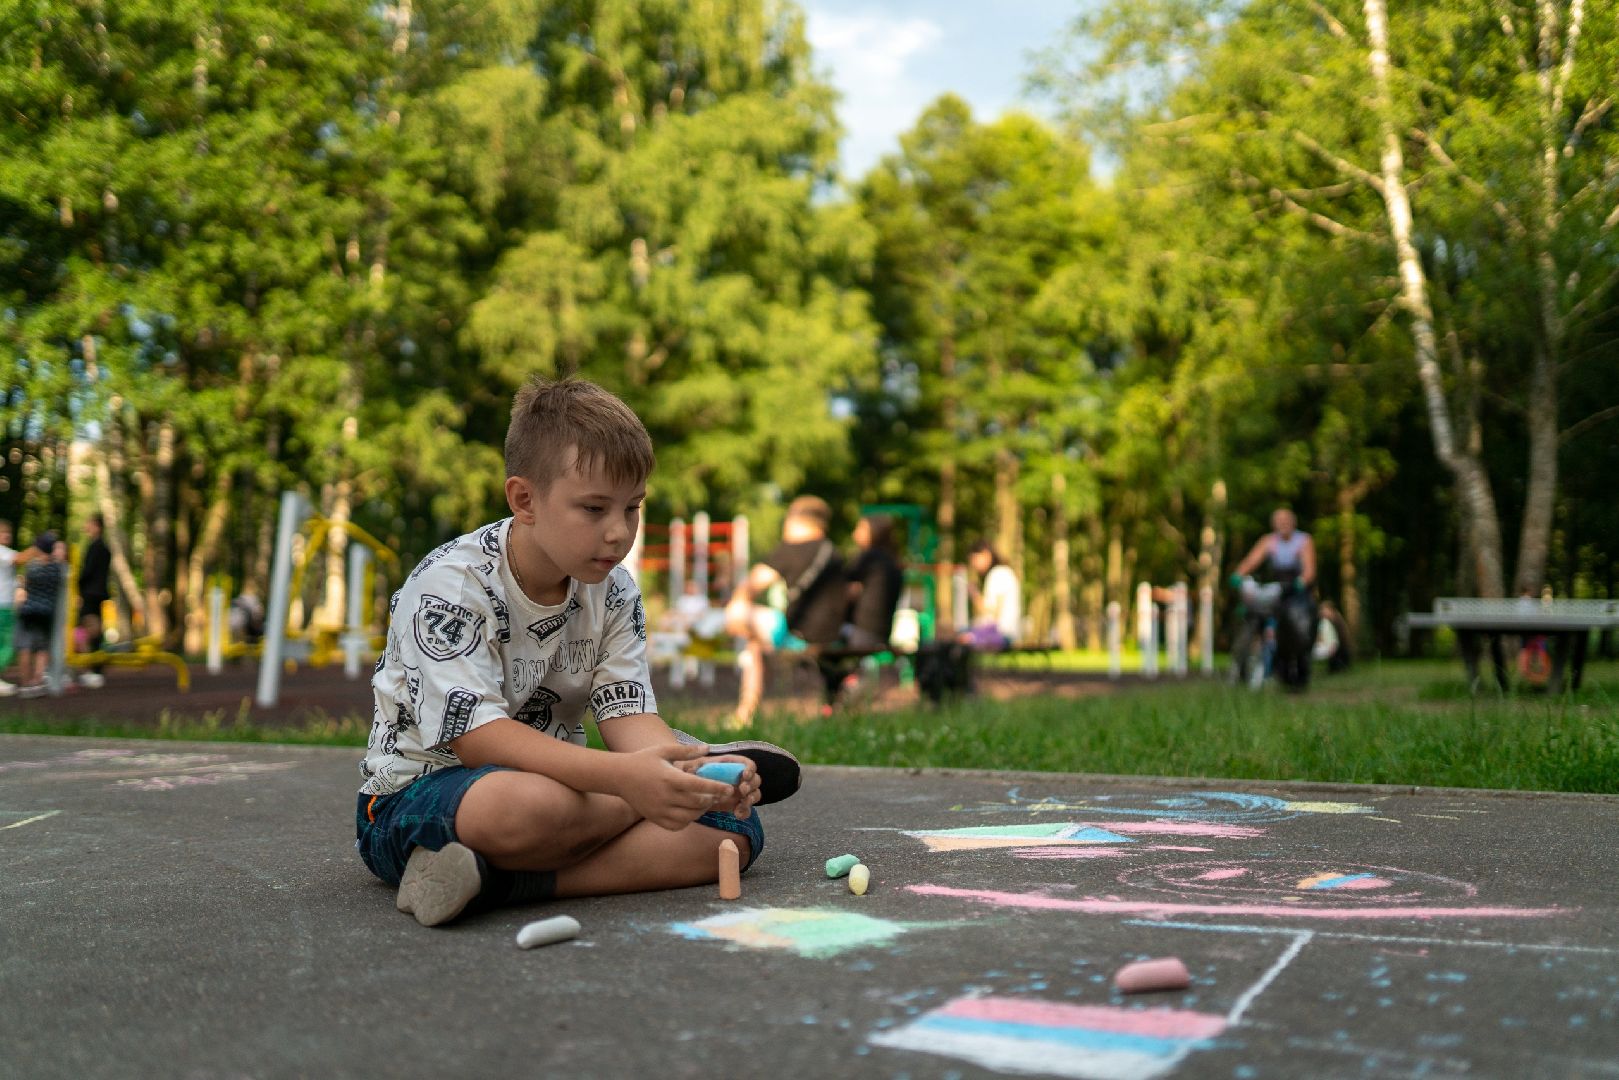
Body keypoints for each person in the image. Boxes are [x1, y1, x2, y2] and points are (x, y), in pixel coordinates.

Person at [356, 376, 800, 928]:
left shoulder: (614, 589)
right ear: (525, 500)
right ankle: (527, 852)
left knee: (732, 831)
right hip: (422, 799)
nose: (619, 533)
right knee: (525, 809)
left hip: (573, 793)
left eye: (632, 508)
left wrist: (685, 778)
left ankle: (491, 883)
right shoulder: (452, 587)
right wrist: (635, 783)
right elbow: (477, 740)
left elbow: (628, 714)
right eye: (594, 509)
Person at [723, 495, 847, 725]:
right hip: (832, 635)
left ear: (794, 520)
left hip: (797, 634)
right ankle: (757, 658)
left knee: (738, 614)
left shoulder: (791, 549)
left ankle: (745, 713)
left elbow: (750, 586)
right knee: (757, 644)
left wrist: (738, 612)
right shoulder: (834, 553)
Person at [14, 532, 66, 697]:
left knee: (25, 647)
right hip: (46, 612)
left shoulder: (32, 567)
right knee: (42, 648)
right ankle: (37, 680)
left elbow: (25, 585)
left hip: (28, 612)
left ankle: (25, 683)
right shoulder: (57, 569)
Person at [843, 514, 904, 651]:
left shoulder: (870, 557)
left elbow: (841, 584)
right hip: (882, 629)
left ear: (874, 532)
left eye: (861, 529)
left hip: (863, 627)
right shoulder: (891, 559)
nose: (855, 534)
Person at [0, 519, 41, 696]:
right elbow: (20, 559)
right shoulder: (2, 552)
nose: (7, 535)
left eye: (8, 532)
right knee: (9, 643)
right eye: (3, 532)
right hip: (2, 605)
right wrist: (40, 546)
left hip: (5, 604)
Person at [959, 540, 1021, 651]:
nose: (974, 564)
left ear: (986, 554)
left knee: (960, 637)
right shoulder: (1004, 572)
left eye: (975, 559)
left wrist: (974, 593)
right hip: (1006, 633)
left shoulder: (998, 574)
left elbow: (993, 613)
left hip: (1001, 634)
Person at [1234, 508, 1317, 589]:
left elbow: (1309, 569)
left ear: (1293, 522)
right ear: (1273, 524)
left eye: (1286, 520)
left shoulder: (1303, 540)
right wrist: (1238, 574)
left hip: (1298, 586)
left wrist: (1302, 581)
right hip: (1277, 586)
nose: (1283, 523)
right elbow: (1251, 561)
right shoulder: (1268, 540)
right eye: (1279, 520)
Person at [75, 513, 112, 688]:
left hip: (90, 594)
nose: (86, 526)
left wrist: (77, 583)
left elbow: (88, 571)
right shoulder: (104, 547)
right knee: (92, 630)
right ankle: (93, 667)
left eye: (88, 523)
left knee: (86, 630)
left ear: (97, 526)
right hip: (97, 593)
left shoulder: (95, 547)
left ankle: (91, 668)